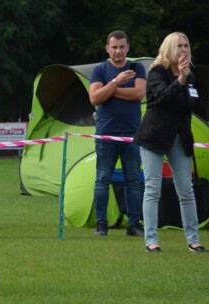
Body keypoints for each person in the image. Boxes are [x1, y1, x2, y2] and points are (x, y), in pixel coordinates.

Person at [133, 32, 206, 253]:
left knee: (186, 190)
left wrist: (185, 79)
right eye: (179, 46)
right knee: (153, 188)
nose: (183, 50)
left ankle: (194, 240)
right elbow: (162, 98)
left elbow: (189, 106)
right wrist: (180, 80)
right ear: (169, 48)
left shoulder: (190, 76)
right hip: (154, 136)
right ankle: (151, 241)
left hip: (179, 136)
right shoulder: (157, 72)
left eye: (186, 45)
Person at [88, 30, 146, 237]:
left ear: (128, 48)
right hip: (106, 133)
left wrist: (109, 91)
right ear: (107, 48)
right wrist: (116, 82)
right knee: (103, 179)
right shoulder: (99, 70)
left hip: (132, 134)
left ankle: (134, 225)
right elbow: (94, 99)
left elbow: (139, 93)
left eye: (122, 47)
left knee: (133, 179)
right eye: (114, 47)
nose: (119, 51)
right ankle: (101, 225)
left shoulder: (137, 67)